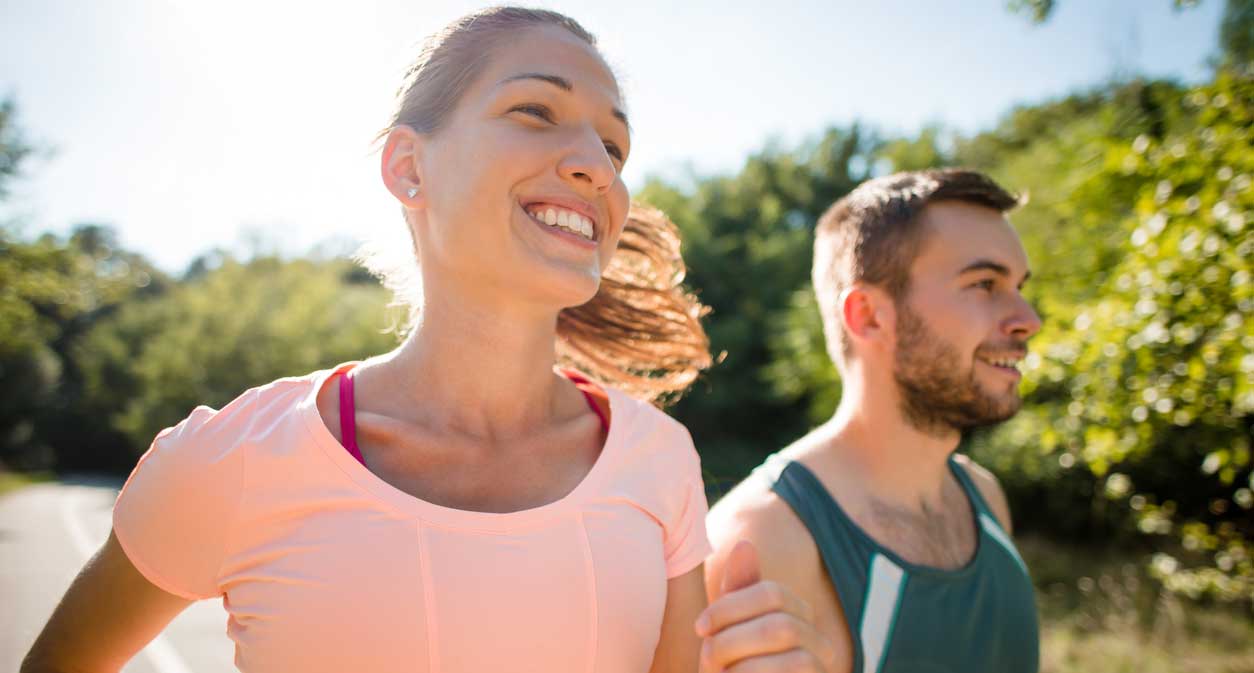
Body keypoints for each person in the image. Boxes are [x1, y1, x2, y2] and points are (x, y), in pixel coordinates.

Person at [22, 7, 827, 673]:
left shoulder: (660, 460)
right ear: (409, 167)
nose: (595, 166)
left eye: (614, 146)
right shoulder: (234, 457)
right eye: (535, 111)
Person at [703, 169, 1043, 673]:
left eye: (1018, 287)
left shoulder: (985, 497)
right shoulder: (763, 537)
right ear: (869, 316)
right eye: (985, 284)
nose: (1028, 319)